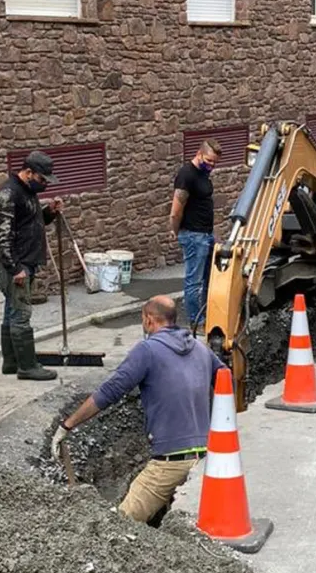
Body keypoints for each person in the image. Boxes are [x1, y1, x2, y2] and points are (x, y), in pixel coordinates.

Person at [50, 295, 224, 525]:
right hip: (207, 458)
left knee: (120, 527)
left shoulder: (148, 350)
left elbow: (111, 391)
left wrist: (67, 425)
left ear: (149, 319)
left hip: (169, 462)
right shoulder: (202, 350)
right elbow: (226, 379)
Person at [0, 150, 64, 381]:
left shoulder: (26, 191)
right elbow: (3, 237)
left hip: (23, 260)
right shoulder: (9, 194)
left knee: (12, 311)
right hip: (15, 263)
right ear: (29, 172)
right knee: (21, 313)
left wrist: (49, 213)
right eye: (42, 180)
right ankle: (27, 366)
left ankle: (11, 362)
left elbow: (31, 222)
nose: (45, 185)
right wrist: (15, 269)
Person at [170, 139, 220, 334]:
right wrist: (175, 230)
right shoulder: (186, 175)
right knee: (194, 281)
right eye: (209, 161)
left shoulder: (203, 174)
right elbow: (176, 210)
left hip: (205, 235)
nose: (212, 165)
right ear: (199, 154)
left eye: (215, 162)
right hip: (193, 235)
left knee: (209, 279)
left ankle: (206, 316)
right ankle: (195, 321)